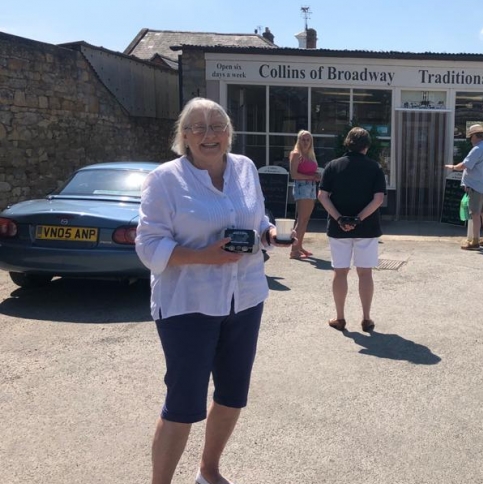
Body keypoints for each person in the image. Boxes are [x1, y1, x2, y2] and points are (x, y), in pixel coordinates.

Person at [136, 97, 287, 484]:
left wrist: (269, 234)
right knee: (184, 404)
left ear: (229, 133)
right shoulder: (165, 179)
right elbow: (148, 246)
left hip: (246, 296)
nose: (209, 134)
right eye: (198, 127)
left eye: (217, 126)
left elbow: (258, 216)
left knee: (233, 393)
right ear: (184, 136)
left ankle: (209, 470)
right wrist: (204, 256)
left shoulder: (245, 168)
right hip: (189, 304)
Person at [317, 127, 386, 332]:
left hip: (338, 229)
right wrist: (358, 219)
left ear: (347, 143)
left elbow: (322, 195)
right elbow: (378, 199)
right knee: (365, 273)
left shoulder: (332, 166)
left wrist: (339, 218)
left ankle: (340, 318)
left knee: (340, 273)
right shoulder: (374, 168)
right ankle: (366, 318)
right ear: (367, 146)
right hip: (367, 227)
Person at [444, 124, 483, 250]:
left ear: (476, 136)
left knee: (475, 214)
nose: (470, 139)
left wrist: (453, 167)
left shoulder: (477, 149)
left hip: (476, 186)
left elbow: (465, 165)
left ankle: (475, 241)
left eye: (471, 136)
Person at [289, 130, 321, 259]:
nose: (306, 142)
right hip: (302, 187)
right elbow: (294, 175)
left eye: (308, 140)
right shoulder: (296, 154)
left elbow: (311, 172)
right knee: (301, 220)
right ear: (298, 140)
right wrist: (312, 177)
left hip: (311, 187)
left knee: (306, 219)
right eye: (303, 139)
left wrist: (316, 176)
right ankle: (293, 250)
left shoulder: (310, 155)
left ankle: (299, 246)